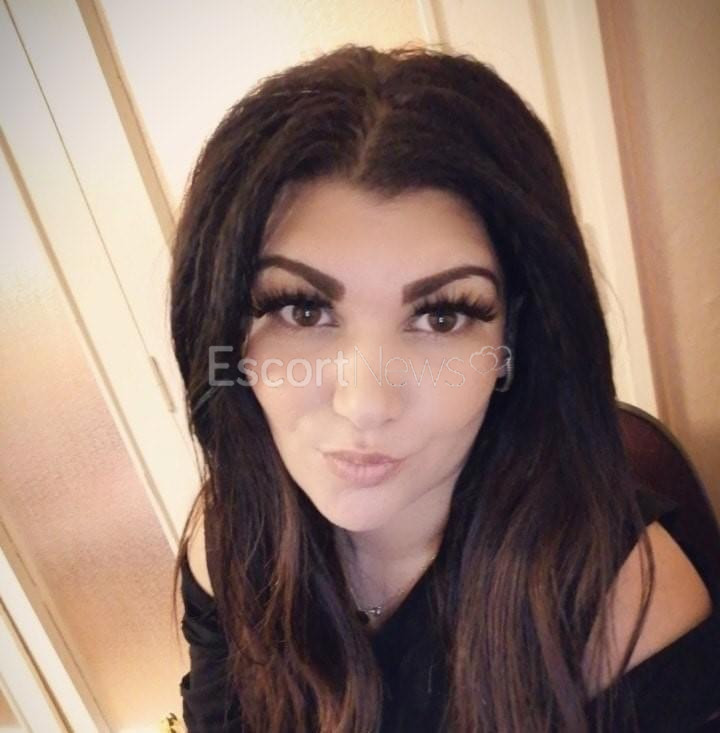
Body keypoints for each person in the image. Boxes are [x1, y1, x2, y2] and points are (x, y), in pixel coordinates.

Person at [169, 44, 720, 732]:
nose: (365, 403)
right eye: (302, 310)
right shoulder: (234, 539)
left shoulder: (627, 608)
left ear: (514, 340)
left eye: (442, 316)